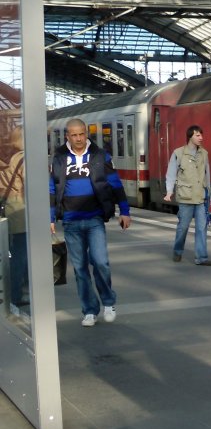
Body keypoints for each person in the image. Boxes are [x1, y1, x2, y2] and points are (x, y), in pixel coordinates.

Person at [50, 118, 131, 327]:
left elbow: (115, 184)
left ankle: (108, 302)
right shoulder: (59, 157)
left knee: (100, 262)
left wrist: (124, 211)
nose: (78, 139)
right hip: (70, 221)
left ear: (86, 133)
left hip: (94, 219)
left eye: (82, 134)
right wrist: (51, 217)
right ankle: (89, 310)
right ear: (67, 136)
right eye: (74, 135)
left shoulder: (99, 155)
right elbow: (53, 188)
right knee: (80, 269)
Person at [164, 125, 211, 266]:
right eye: (198, 135)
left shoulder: (204, 153)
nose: (201, 138)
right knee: (183, 227)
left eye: (201, 135)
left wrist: (209, 194)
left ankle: (201, 258)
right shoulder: (178, 153)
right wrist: (169, 191)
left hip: (201, 197)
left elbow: (207, 174)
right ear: (190, 137)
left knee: (201, 228)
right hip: (185, 197)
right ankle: (178, 251)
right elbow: (171, 174)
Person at [1, 124, 27, 311]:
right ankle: (16, 294)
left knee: (13, 251)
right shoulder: (23, 159)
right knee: (20, 253)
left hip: (8, 208)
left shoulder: (6, 157)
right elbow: (30, 185)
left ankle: (15, 291)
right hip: (21, 209)